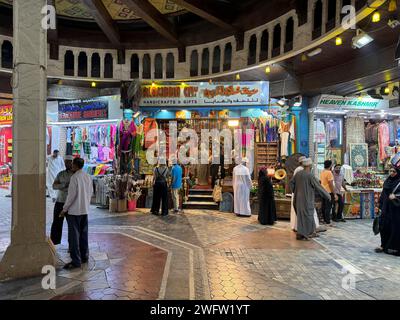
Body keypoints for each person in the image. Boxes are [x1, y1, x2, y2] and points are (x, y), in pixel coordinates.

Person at [60, 158, 93, 270]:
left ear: (75, 165)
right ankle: (84, 257)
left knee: (74, 237)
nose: (71, 166)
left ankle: (76, 261)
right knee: (84, 235)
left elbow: (71, 196)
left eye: (72, 164)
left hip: (74, 211)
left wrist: (64, 209)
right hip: (85, 210)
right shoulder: (88, 176)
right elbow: (90, 192)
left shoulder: (75, 178)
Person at [290, 158, 331, 240]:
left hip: (298, 199)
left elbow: (291, 183)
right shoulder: (309, 175)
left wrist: (295, 191)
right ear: (309, 165)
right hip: (307, 199)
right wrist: (327, 196)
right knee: (308, 216)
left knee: (301, 217)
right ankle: (306, 234)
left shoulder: (298, 174)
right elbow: (318, 187)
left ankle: (304, 233)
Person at [375, 166, 400, 255]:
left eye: (394, 171)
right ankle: (383, 245)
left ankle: (395, 247)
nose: (392, 173)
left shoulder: (399, 182)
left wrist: (396, 197)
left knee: (395, 228)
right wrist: (379, 205)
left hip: (396, 210)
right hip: (386, 208)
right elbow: (383, 194)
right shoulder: (387, 181)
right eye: (390, 171)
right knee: (384, 226)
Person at [50, 155, 74, 246]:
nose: (67, 164)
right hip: (60, 201)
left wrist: (64, 186)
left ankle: (72, 244)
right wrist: (63, 185)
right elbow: (54, 186)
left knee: (72, 225)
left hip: (71, 203)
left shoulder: (75, 175)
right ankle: (54, 243)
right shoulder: (60, 174)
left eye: (69, 162)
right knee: (56, 223)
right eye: (66, 162)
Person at [290, 156, 306, 231]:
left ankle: (296, 226)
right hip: (299, 192)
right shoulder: (300, 169)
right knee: (298, 209)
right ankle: (298, 227)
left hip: (297, 191)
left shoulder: (298, 169)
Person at [320, 160, 335, 225]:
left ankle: (324, 219)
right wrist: (334, 193)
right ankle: (327, 220)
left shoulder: (322, 172)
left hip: (323, 191)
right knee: (328, 206)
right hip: (328, 191)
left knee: (324, 206)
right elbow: (330, 184)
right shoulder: (329, 173)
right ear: (330, 165)